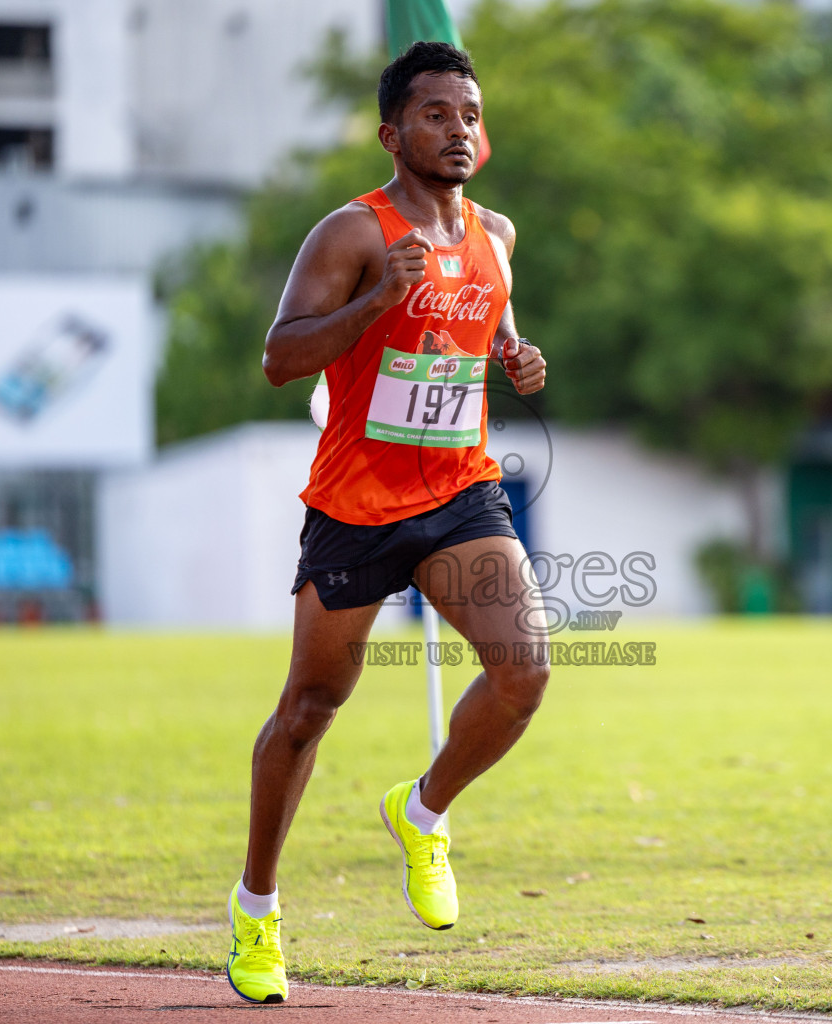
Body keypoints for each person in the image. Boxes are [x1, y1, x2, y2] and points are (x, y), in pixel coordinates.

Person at [225, 41, 550, 1005]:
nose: (459, 130)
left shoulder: (496, 232)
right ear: (392, 132)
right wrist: (378, 298)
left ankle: (422, 811)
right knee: (310, 708)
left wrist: (517, 360)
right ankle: (256, 909)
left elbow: (486, 333)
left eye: (469, 115)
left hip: (461, 495)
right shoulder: (351, 234)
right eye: (437, 114)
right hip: (358, 506)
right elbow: (283, 358)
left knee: (525, 669)